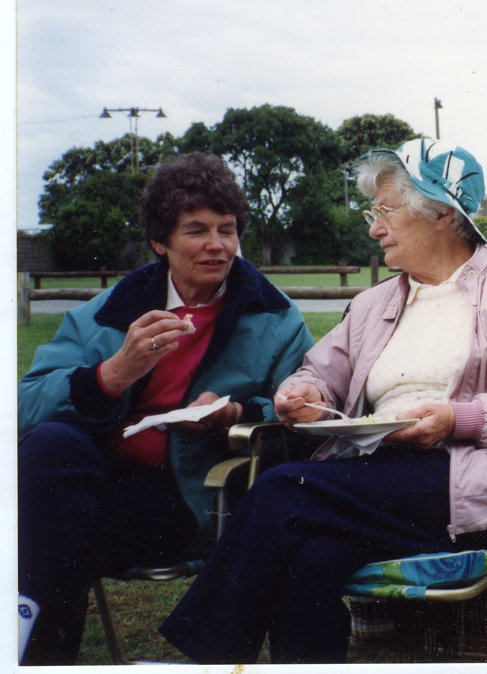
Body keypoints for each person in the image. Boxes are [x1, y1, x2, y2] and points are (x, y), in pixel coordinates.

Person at [160, 138, 487, 664]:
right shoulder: (375, 303)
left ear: (440, 214)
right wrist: (306, 393)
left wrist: (456, 417)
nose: (373, 228)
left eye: (385, 212)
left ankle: (203, 659)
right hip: (369, 480)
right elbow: (318, 370)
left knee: (279, 491)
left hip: (464, 485)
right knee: (309, 556)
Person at [17, 153, 315, 665]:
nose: (217, 245)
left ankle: (35, 647)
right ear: (160, 242)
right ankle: (39, 656)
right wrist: (113, 375)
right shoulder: (108, 312)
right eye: (197, 230)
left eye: (227, 230)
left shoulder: (276, 319)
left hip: (198, 498)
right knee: (49, 448)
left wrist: (235, 413)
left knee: (48, 526)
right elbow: (23, 408)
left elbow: (302, 409)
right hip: (94, 485)